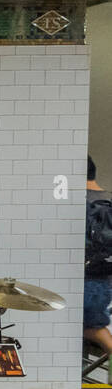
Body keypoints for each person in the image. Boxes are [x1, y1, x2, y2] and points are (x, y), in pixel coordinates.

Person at [83, 156, 112, 368]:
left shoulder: (80, 202)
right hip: (105, 281)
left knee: (92, 328)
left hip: (87, 281)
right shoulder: (108, 199)